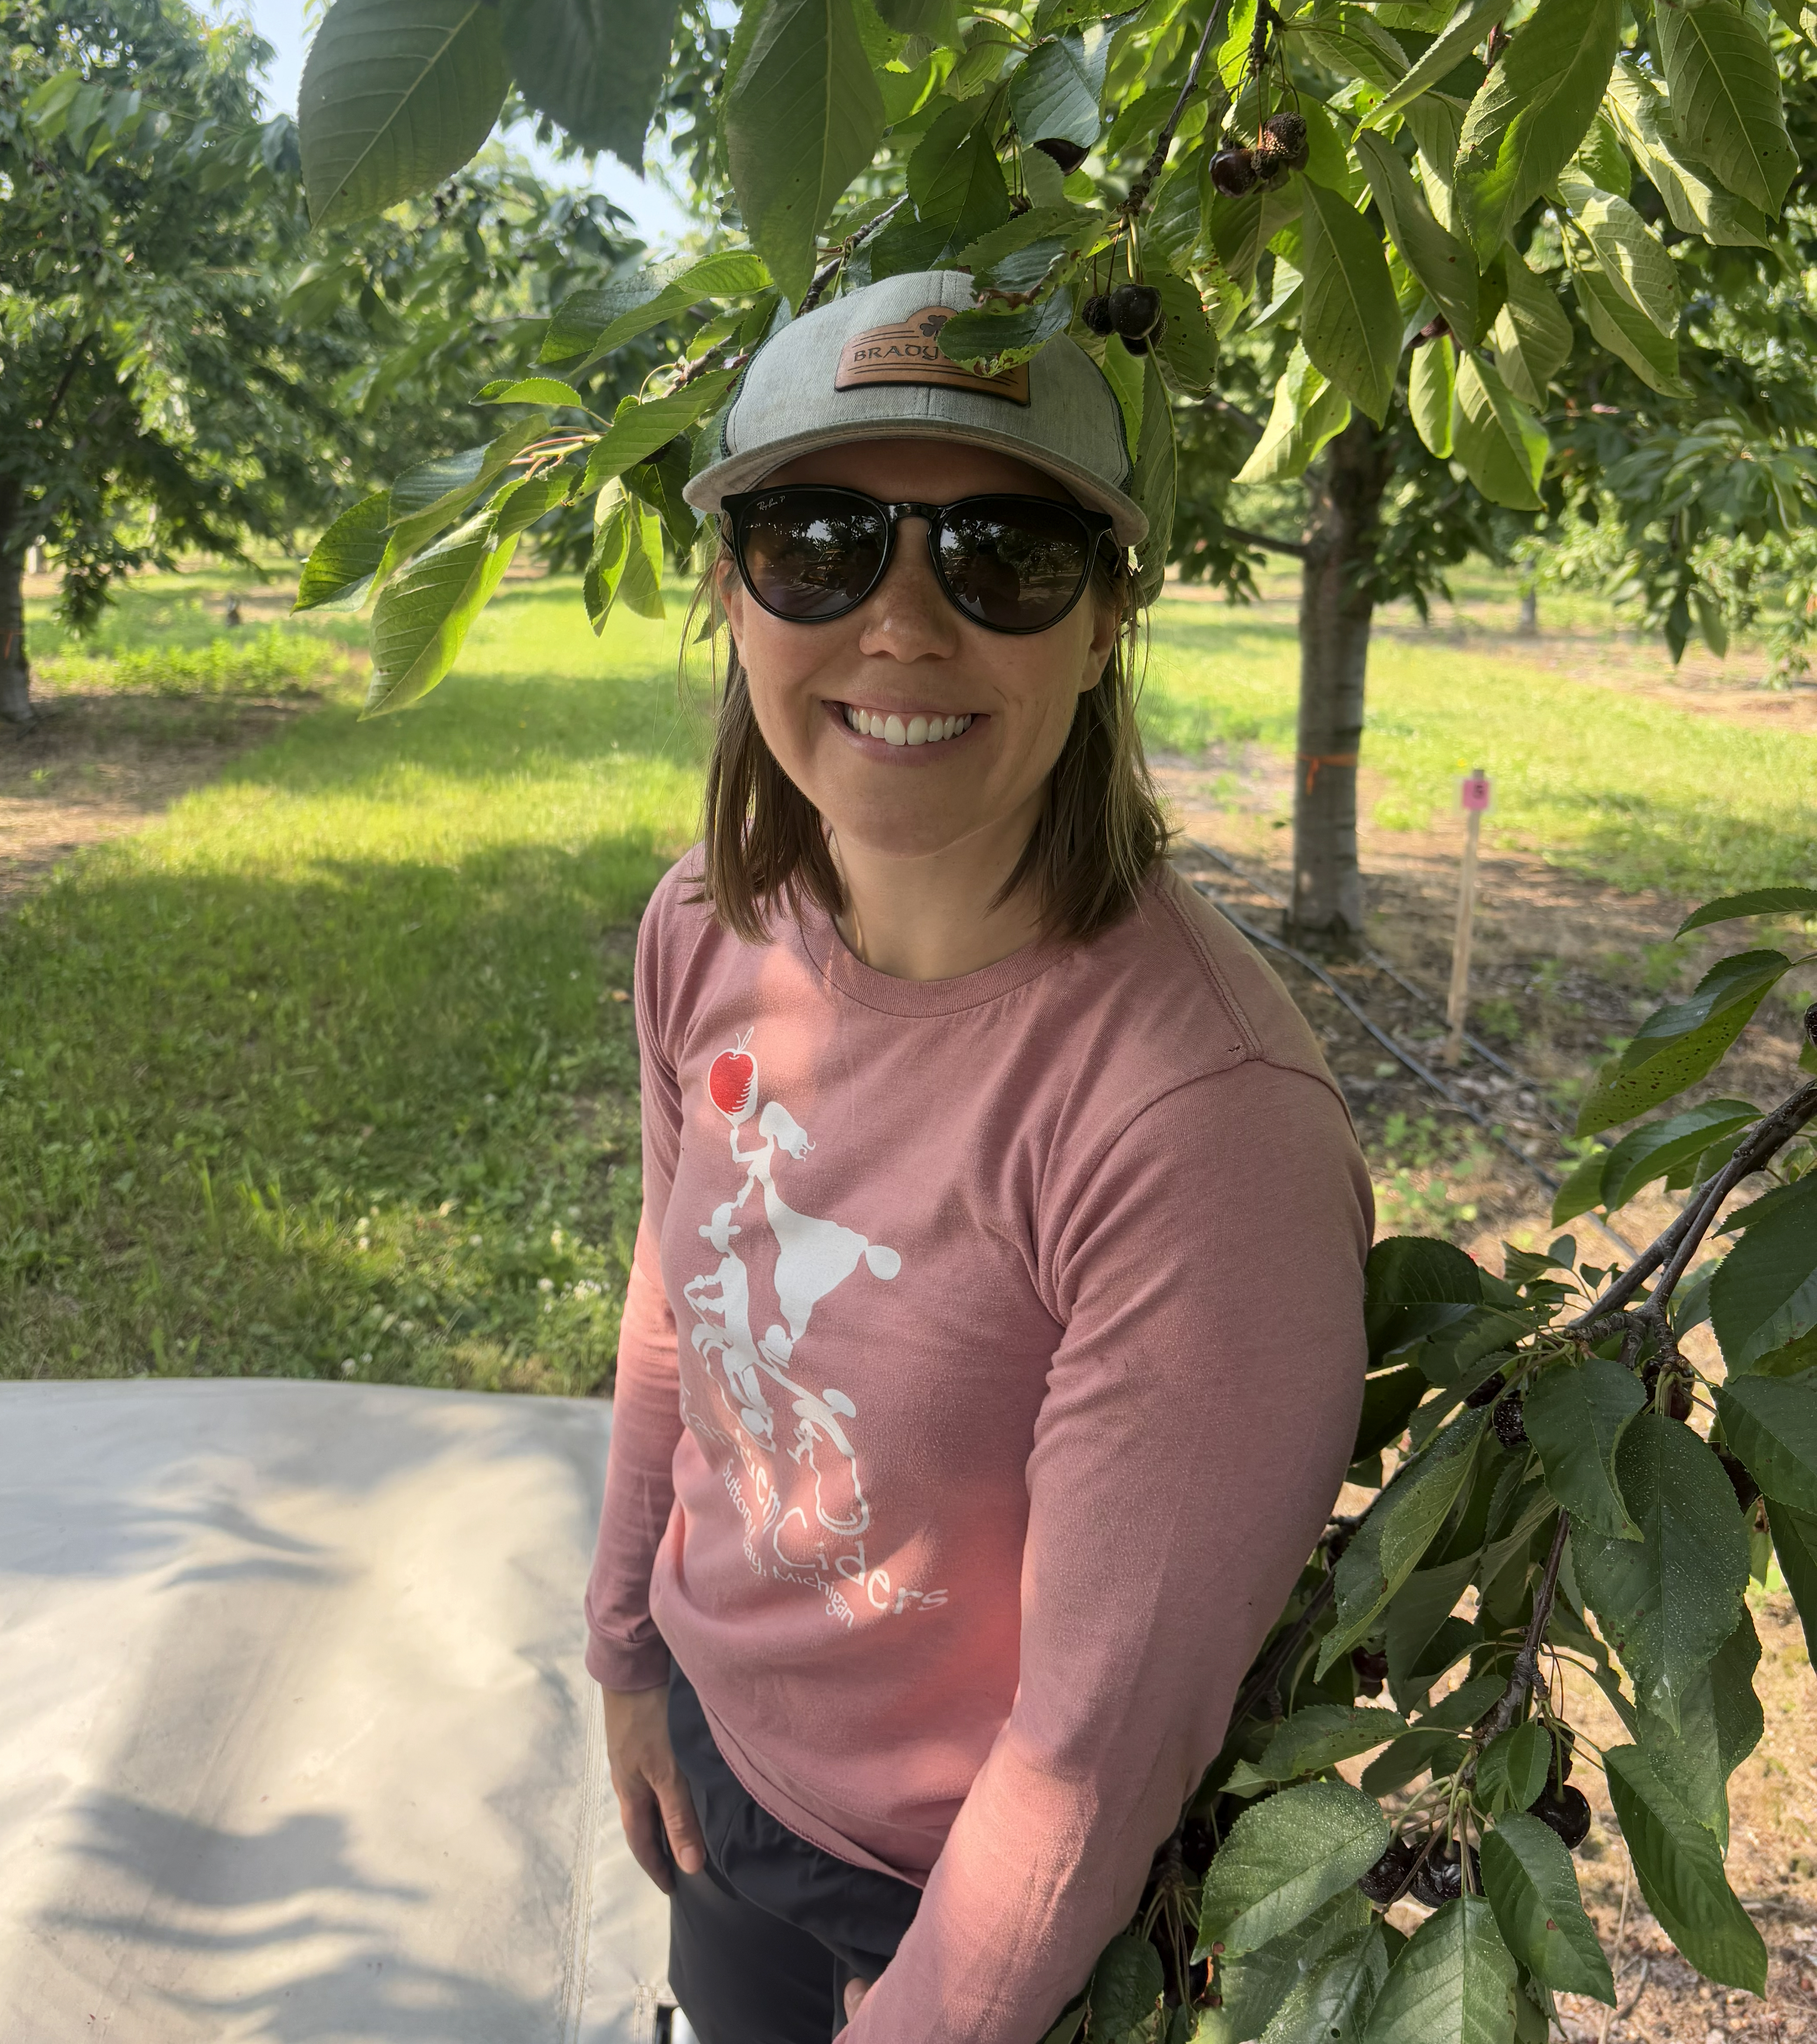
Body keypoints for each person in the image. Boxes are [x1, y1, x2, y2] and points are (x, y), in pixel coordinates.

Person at [585, 268, 1372, 2044]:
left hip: (955, 1912)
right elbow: (675, 1300)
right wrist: (628, 1648)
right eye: (818, 539)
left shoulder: (1195, 1120)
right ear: (732, 590)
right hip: (721, 1772)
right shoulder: (705, 928)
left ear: (1106, 620)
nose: (903, 622)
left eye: (1001, 553)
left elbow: (1093, 1752)